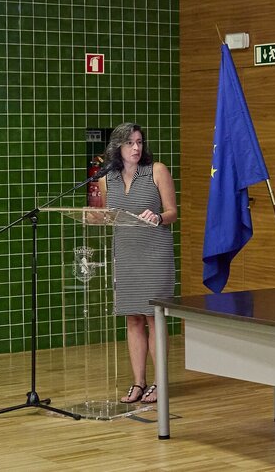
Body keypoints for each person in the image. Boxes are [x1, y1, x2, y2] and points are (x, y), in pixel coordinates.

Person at [98, 122, 177, 405]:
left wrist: (158, 217)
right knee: (133, 318)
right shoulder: (106, 179)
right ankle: (138, 382)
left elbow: (172, 212)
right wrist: (96, 217)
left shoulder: (157, 170)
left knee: (153, 317)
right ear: (117, 146)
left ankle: (160, 382)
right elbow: (108, 215)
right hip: (126, 254)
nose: (136, 148)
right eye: (130, 143)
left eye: (140, 142)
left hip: (154, 254)